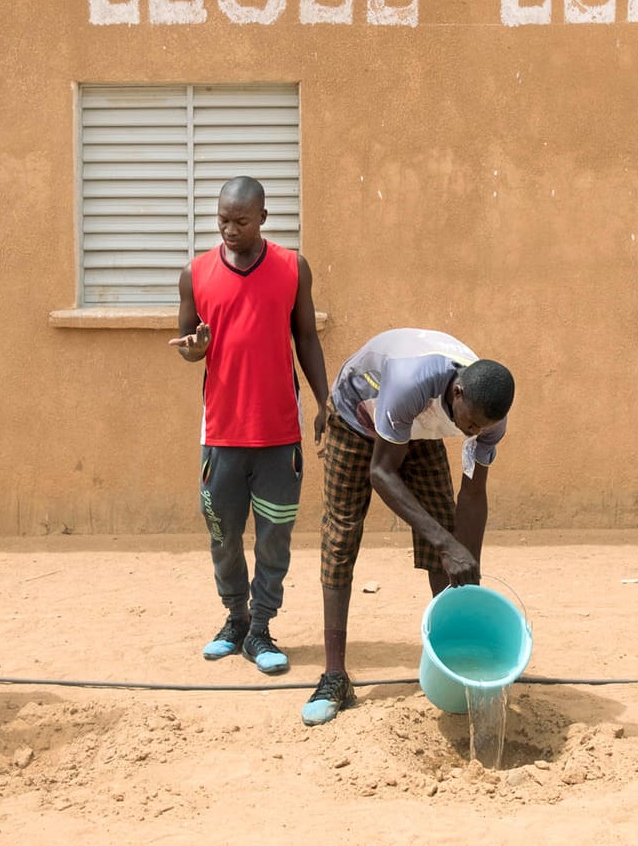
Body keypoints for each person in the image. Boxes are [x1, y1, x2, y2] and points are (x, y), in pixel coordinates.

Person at [301, 328, 514, 726]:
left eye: (482, 430)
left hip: (417, 427)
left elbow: (471, 495)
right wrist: (447, 544)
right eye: (470, 425)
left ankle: (456, 661)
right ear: (458, 394)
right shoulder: (411, 383)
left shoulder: (488, 419)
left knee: (444, 530)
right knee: (341, 534)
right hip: (356, 417)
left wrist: (466, 565)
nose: (473, 434)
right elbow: (381, 472)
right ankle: (334, 677)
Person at [169, 176, 328, 675]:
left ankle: (261, 627)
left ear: (263, 217)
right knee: (222, 534)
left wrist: (326, 401)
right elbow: (188, 342)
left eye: (240, 221)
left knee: (273, 537)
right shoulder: (194, 274)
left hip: (280, 432)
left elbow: (306, 337)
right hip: (221, 433)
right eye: (222, 221)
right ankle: (234, 618)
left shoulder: (291, 267)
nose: (230, 230)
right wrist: (194, 350)